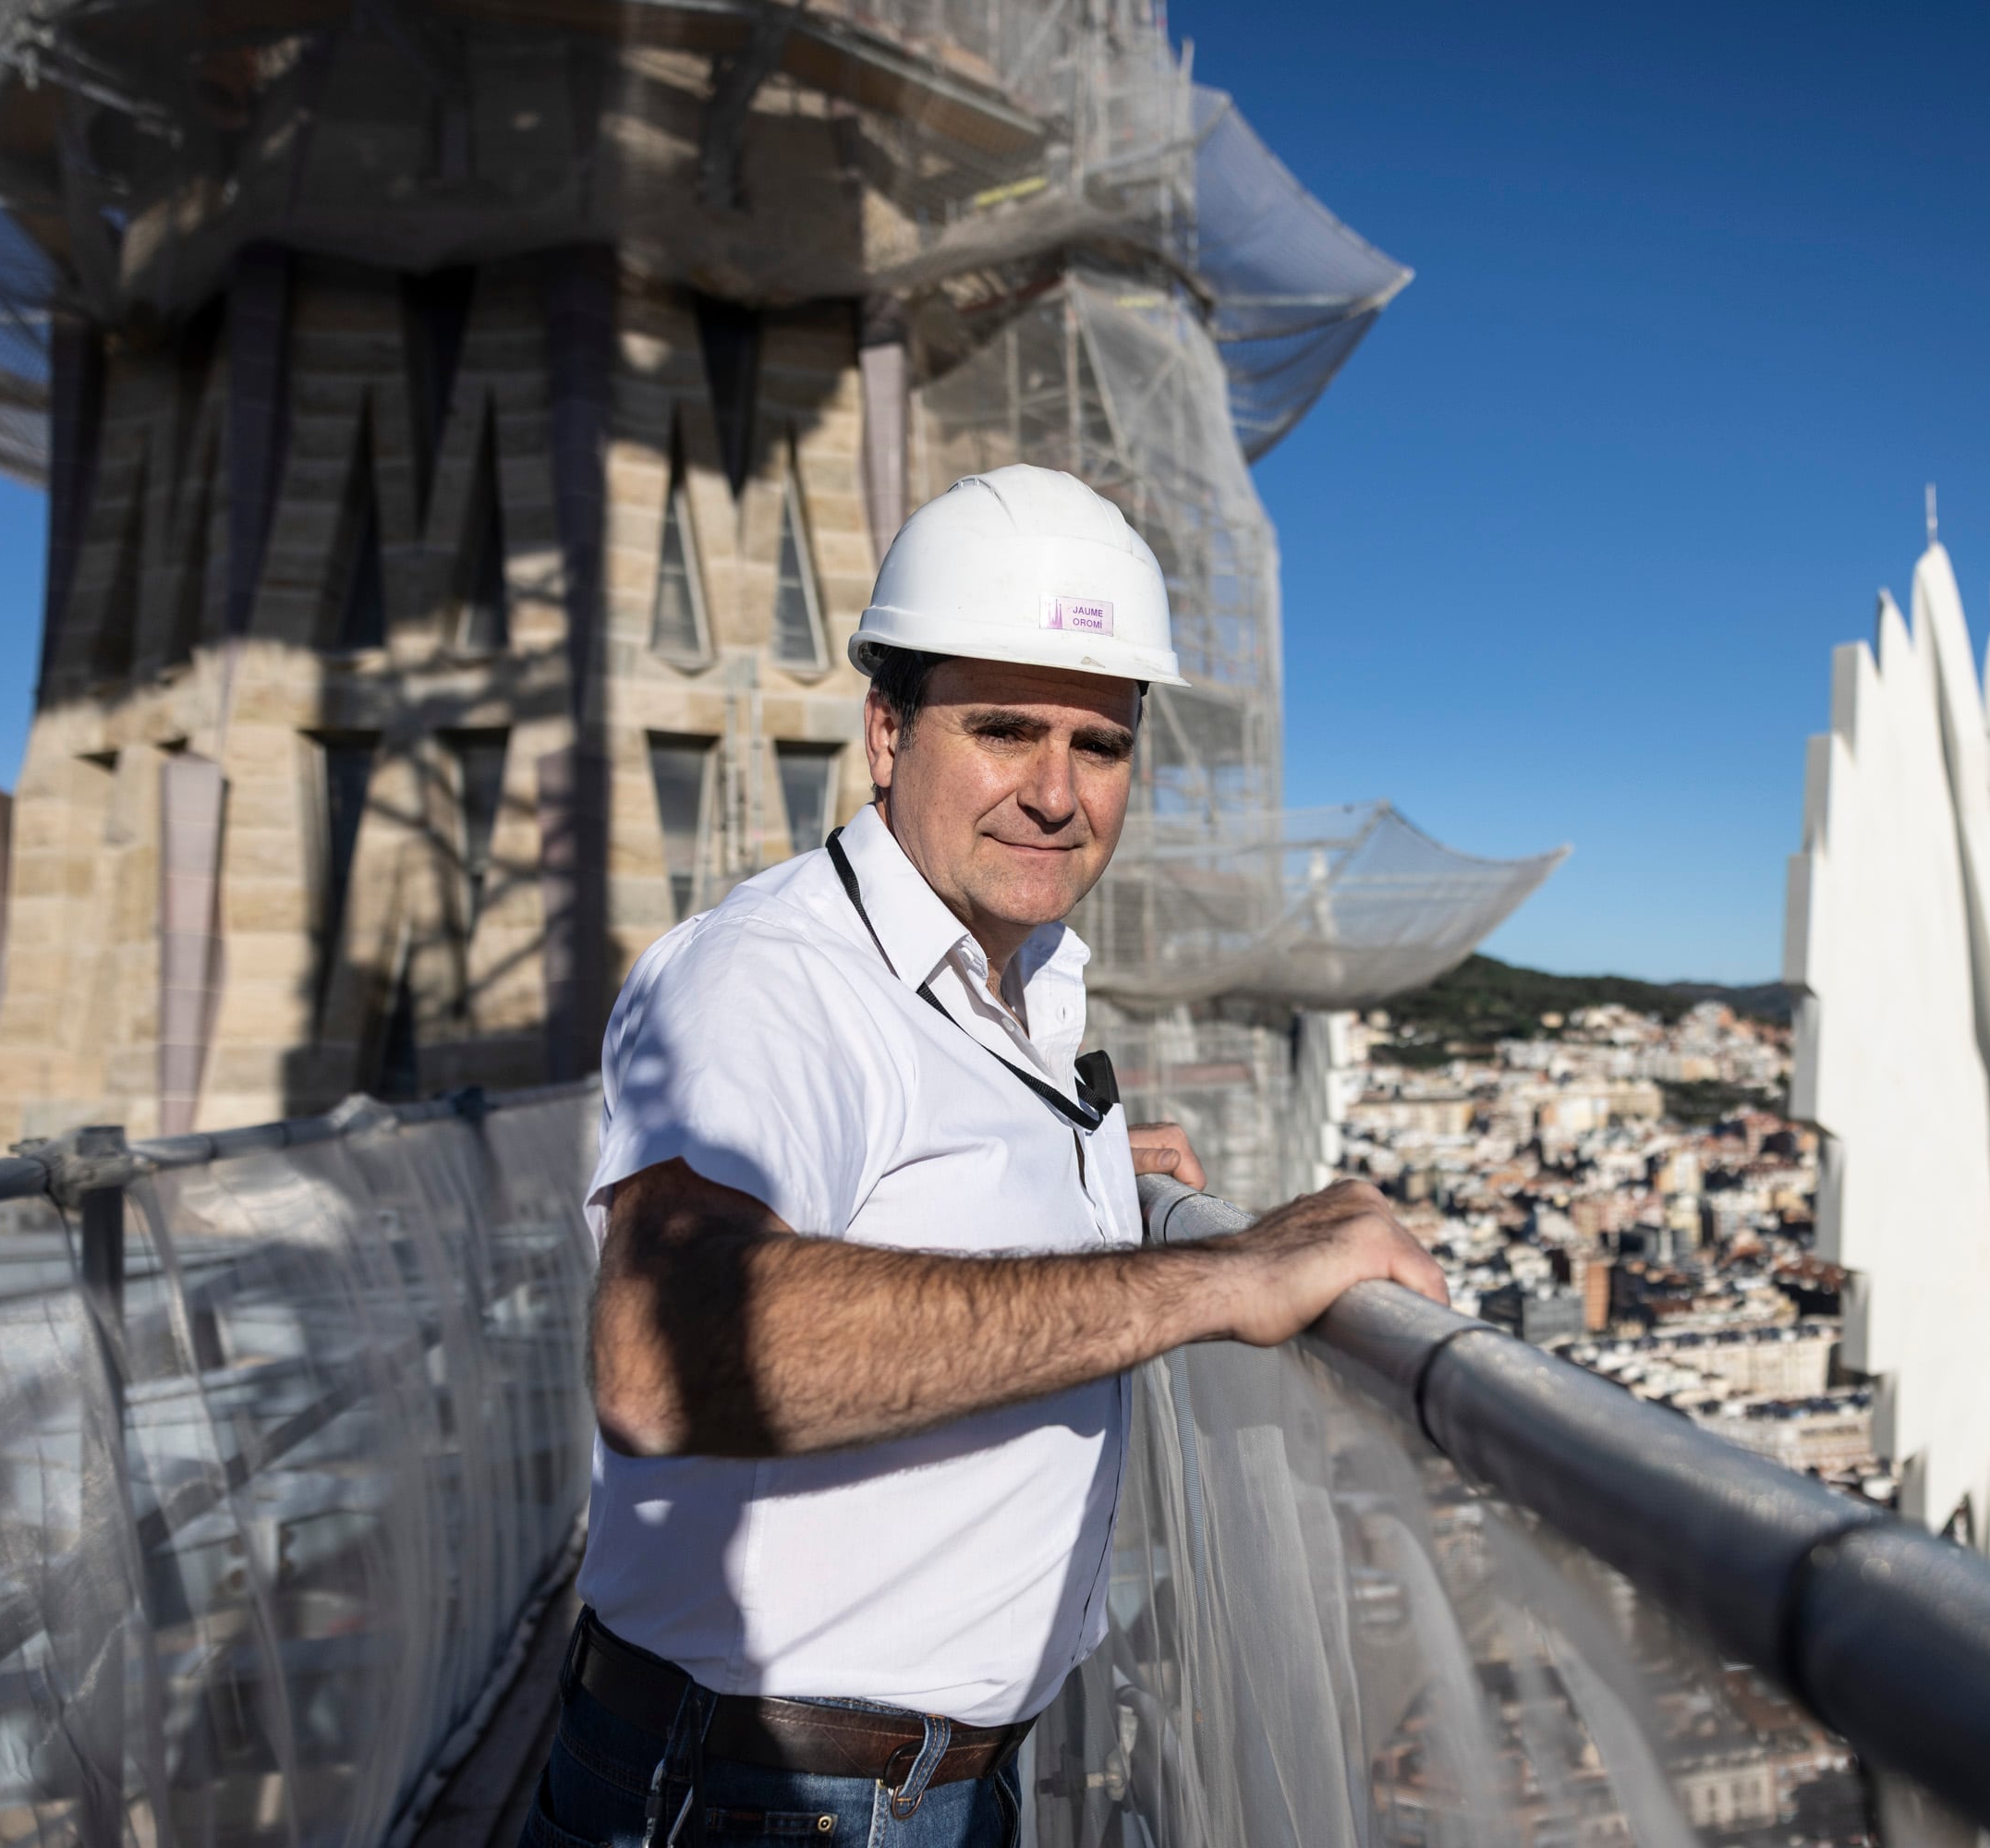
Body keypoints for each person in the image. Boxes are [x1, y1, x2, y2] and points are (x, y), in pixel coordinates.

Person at [523, 465, 1447, 1848]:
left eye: (1102, 745)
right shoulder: (770, 977)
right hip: (771, 1800)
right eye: (1005, 729)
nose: (1057, 793)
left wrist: (1083, 1180)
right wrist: (1221, 1278)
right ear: (887, 734)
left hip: (891, 1785)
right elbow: (665, 1357)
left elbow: (910, 1178)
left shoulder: (1004, 985)